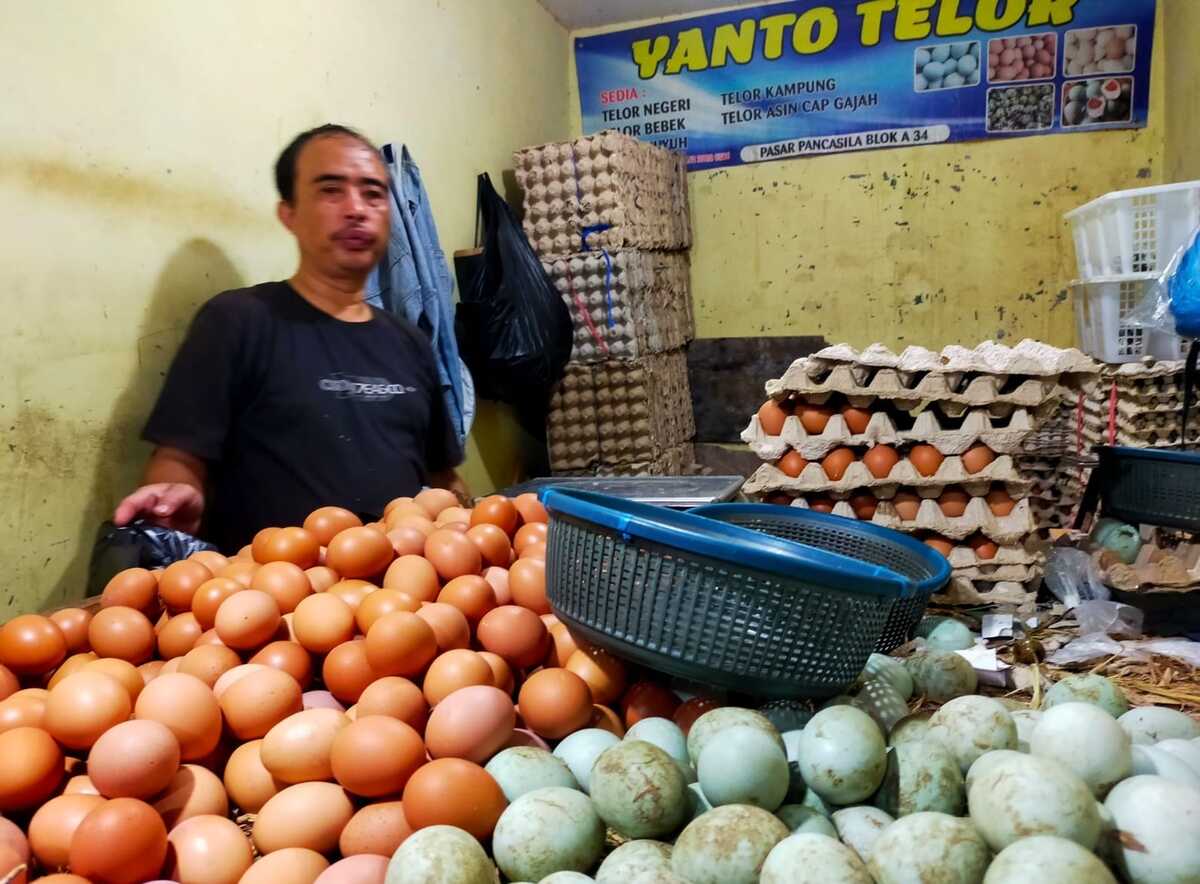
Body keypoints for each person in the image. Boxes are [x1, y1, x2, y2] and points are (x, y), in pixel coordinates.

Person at [114, 124, 468, 553]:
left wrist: (470, 523)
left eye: (373, 193)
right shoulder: (238, 322)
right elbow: (178, 461)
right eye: (331, 190)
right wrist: (173, 507)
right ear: (289, 214)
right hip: (271, 607)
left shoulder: (409, 342)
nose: (356, 208)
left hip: (404, 604)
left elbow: (441, 476)